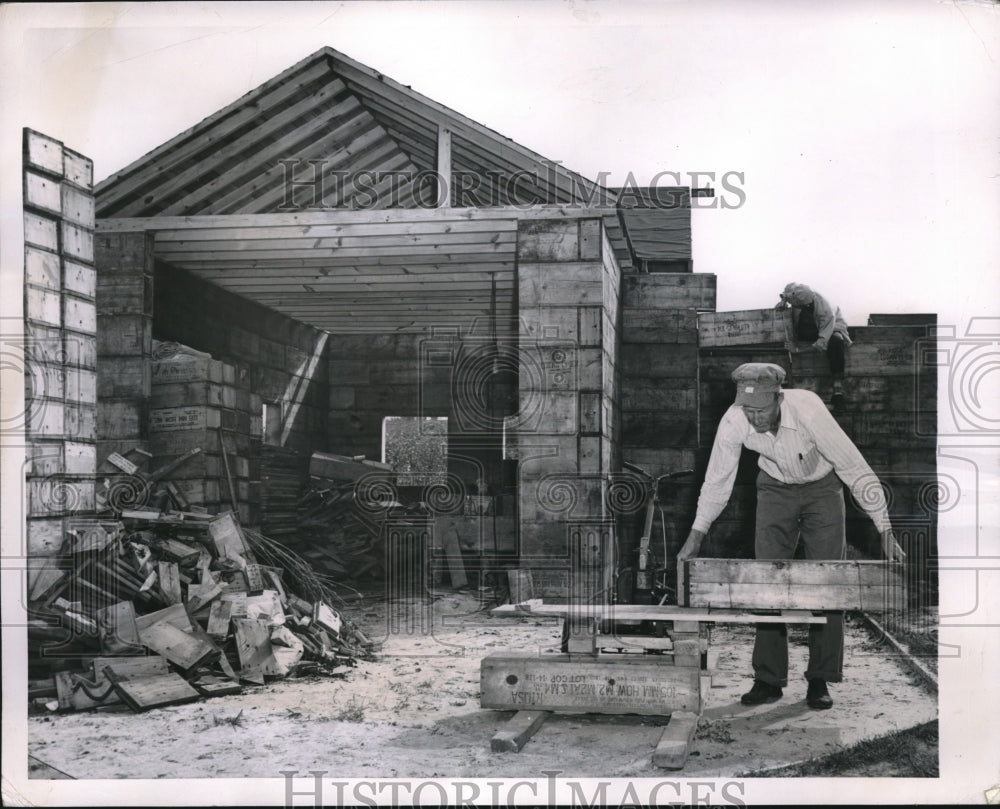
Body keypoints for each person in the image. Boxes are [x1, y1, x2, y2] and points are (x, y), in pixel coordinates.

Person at [677, 362, 904, 710]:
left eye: (762, 409)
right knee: (765, 582)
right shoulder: (734, 419)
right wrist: (696, 535)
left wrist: (884, 527)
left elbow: (853, 467)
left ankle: (819, 678)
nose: (754, 418)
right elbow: (717, 481)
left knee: (828, 584)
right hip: (773, 488)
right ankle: (768, 679)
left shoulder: (809, 409)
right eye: (748, 410)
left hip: (822, 488)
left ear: (780, 397)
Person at [775, 282, 851, 402]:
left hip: (831, 327)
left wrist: (797, 349)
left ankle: (837, 389)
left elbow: (821, 343)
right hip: (812, 325)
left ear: (805, 304)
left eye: (796, 306)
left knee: (836, 341)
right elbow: (787, 292)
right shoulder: (800, 289)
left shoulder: (826, 311)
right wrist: (783, 302)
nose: (793, 307)